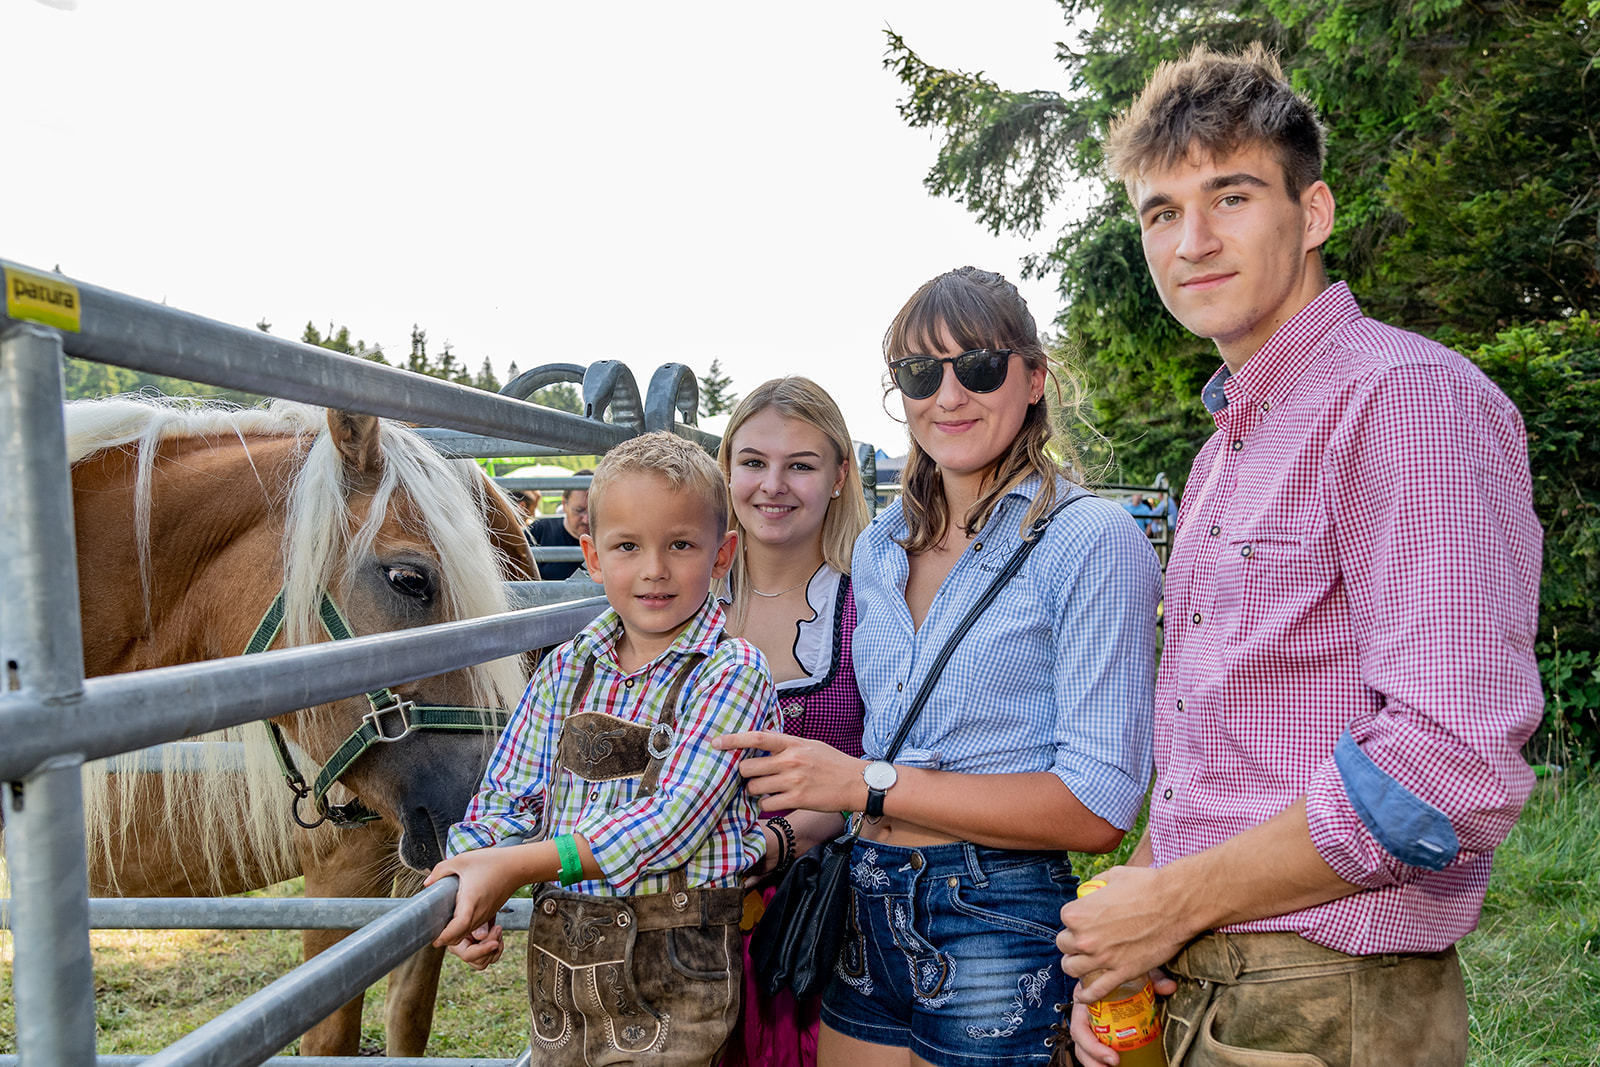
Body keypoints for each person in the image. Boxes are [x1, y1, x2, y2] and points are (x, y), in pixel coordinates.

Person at [1056, 45, 1544, 1067]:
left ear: (1312, 213)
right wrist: (1129, 928)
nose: (1190, 240)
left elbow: (1447, 766)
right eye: (1159, 211)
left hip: (1332, 1004)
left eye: (1229, 196)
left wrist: (1175, 898)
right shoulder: (1221, 453)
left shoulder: (1402, 400)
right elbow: (1208, 761)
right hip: (1200, 984)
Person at [716, 267, 1162, 1067]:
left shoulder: (1090, 538)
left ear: (1032, 378)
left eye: (979, 365)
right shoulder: (881, 549)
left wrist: (865, 782)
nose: (949, 393)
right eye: (921, 372)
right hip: (866, 897)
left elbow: (1099, 804)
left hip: (994, 909)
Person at [425, 432, 776, 1066]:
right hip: (564, 950)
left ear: (722, 555)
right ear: (591, 554)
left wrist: (515, 869)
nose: (654, 570)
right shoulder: (565, 669)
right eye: (626, 546)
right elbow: (510, 794)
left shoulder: (732, 671)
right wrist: (474, 870)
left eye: (680, 545)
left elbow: (671, 823)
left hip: (677, 958)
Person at [713, 377, 873, 1067]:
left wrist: (777, 841)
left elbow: (897, 764)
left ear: (839, 476)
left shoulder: (873, 605)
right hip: (683, 906)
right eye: (753, 461)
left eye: (800, 465)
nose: (772, 485)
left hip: (824, 918)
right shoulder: (678, 601)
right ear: (726, 470)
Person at [526, 468, 592, 580]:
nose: (586, 520)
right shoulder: (540, 531)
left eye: (593, 511)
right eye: (579, 510)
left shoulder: (611, 537)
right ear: (564, 504)